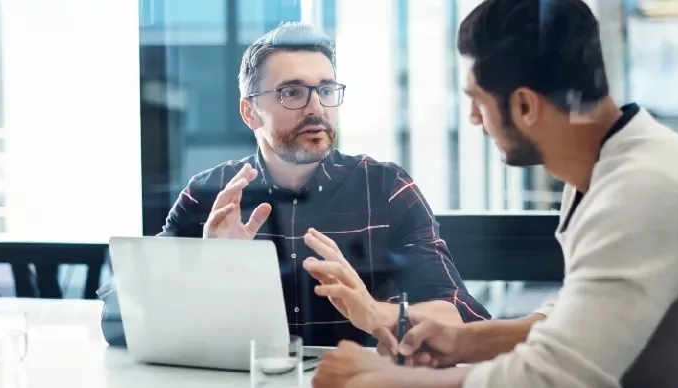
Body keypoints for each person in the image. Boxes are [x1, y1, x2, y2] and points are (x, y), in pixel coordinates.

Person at [312, 0, 678, 387]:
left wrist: (385, 380)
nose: (474, 120)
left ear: (525, 105)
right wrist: (463, 339)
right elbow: (581, 321)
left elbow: (554, 378)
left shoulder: (644, 191)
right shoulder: (608, 163)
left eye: (478, 101)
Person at [97, 22, 490, 348]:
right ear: (249, 111)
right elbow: (117, 321)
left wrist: (373, 311)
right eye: (292, 92)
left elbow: (460, 315)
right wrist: (205, 265)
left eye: (326, 90)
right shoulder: (209, 195)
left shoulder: (385, 188)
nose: (316, 108)